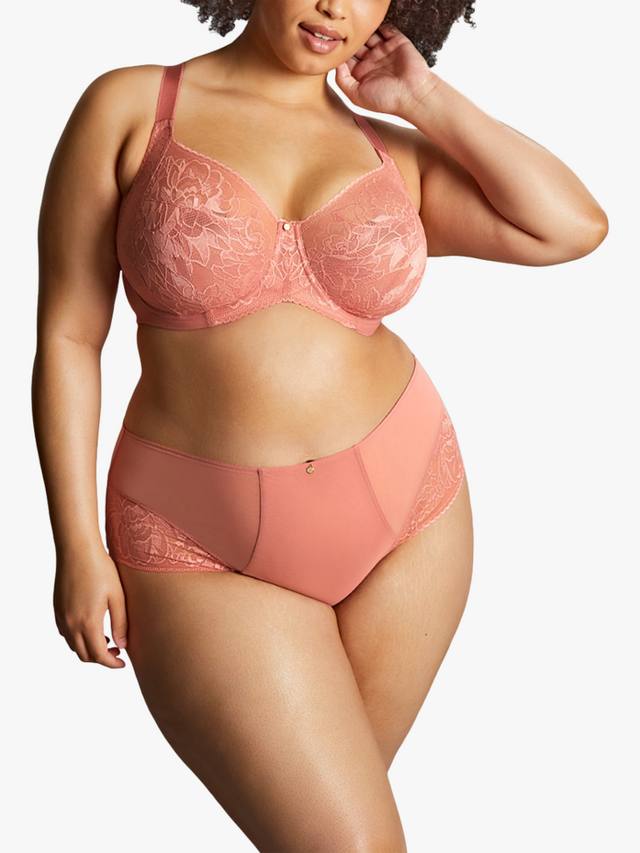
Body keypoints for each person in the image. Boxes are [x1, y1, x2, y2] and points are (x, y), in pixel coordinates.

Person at [32, 1, 608, 849]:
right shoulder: (130, 108)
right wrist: (77, 546)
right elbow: (69, 337)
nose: (338, 5)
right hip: (198, 540)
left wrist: (426, 100)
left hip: (408, 511)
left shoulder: (392, 154)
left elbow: (571, 226)